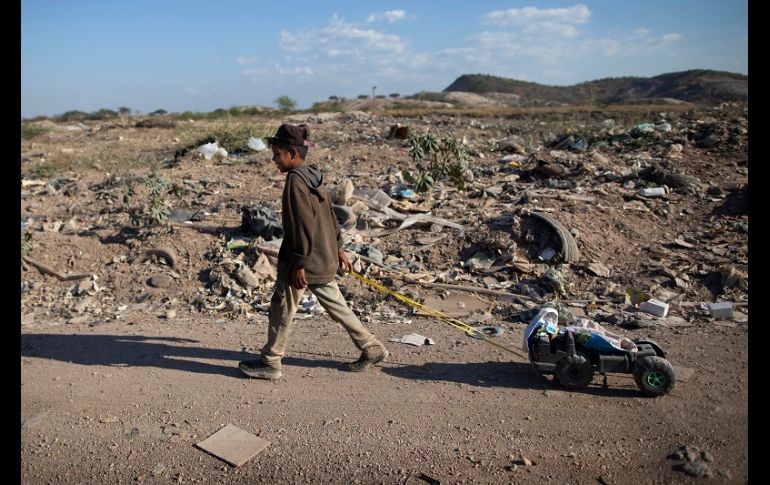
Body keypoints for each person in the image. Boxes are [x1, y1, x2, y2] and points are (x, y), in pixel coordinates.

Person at [239, 123, 389, 380]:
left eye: (277, 154)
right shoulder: (313, 175)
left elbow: (302, 226)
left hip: (302, 260)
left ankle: (271, 362)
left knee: (281, 308)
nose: (275, 160)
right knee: (336, 305)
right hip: (322, 256)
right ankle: (372, 347)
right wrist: (338, 248)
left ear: (292, 153)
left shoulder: (295, 181)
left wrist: (299, 264)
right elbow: (329, 216)